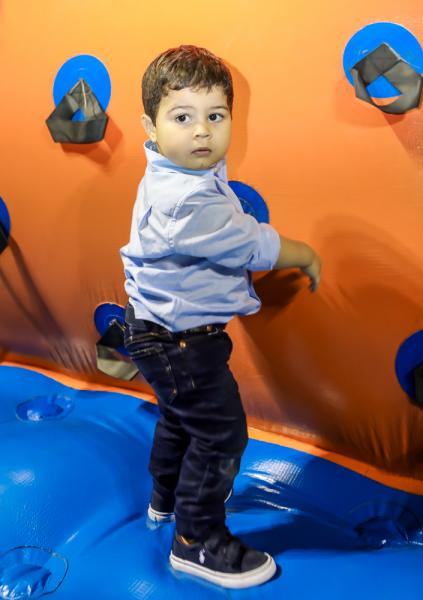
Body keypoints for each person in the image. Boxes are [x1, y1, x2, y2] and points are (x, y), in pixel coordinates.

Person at [120, 44, 321, 589]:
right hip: (180, 342)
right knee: (221, 435)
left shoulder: (173, 174)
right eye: (183, 118)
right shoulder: (188, 200)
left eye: (216, 116)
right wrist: (303, 254)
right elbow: (250, 245)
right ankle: (196, 540)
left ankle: (165, 499)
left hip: (159, 333)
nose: (202, 132)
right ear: (151, 127)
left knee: (179, 418)